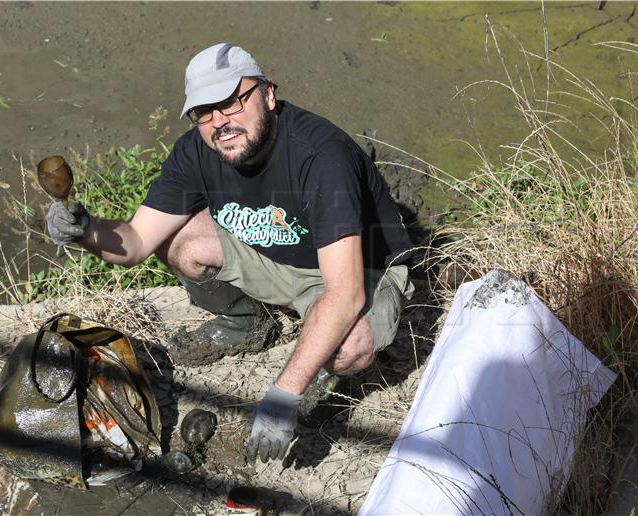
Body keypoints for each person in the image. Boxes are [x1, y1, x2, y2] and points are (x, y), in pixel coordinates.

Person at [46, 43, 415, 464]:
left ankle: (322, 376)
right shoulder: (196, 151)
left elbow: (345, 292)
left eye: (232, 103)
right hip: (276, 256)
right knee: (179, 242)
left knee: (348, 345)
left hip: (356, 270)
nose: (220, 122)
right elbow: (134, 243)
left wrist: (283, 394)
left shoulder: (319, 156)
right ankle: (248, 322)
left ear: (269, 95)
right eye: (204, 112)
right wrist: (87, 231)